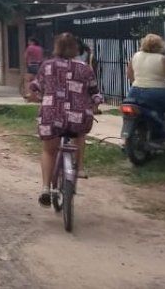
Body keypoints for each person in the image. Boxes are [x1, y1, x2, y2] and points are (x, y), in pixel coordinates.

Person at [30, 32, 104, 207]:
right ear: (75, 49)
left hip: (51, 114)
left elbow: (35, 87)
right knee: (79, 136)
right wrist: (95, 105)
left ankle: (46, 188)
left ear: (56, 47)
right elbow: (95, 92)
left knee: (49, 151)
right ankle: (78, 169)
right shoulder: (85, 68)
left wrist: (36, 96)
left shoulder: (47, 66)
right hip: (78, 117)